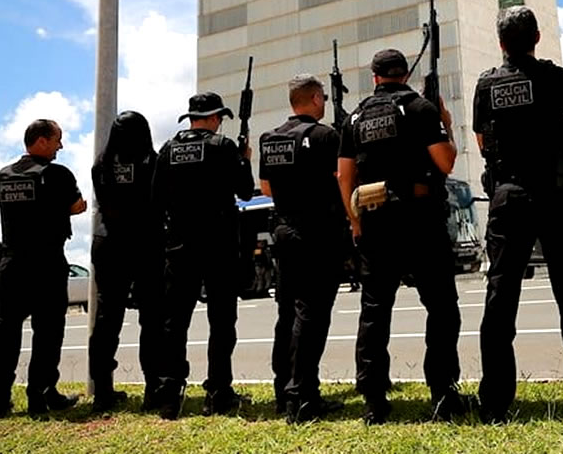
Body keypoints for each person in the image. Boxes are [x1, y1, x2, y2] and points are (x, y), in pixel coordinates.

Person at [473, 6, 563, 423]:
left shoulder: (487, 85)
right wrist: (559, 158)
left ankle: (495, 404)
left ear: (501, 44)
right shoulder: (557, 78)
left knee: (500, 301)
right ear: (536, 38)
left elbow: (483, 143)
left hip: (509, 199)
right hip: (554, 198)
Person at [337, 49, 466, 424]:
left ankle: (374, 401)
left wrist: (354, 220)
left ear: (374, 76)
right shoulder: (422, 109)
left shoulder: (356, 117)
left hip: (376, 220)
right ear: (404, 74)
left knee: (375, 313)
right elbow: (445, 162)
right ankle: (443, 394)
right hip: (421, 219)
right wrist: (447, 124)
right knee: (441, 308)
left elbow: (344, 177)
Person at [152, 92, 254, 420]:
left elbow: (156, 199)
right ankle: (219, 391)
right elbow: (243, 190)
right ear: (212, 118)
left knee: (174, 321)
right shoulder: (222, 147)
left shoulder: (167, 149)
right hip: (219, 245)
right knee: (222, 320)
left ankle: (170, 393)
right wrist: (244, 158)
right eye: (219, 118)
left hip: (180, 246)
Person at [0, 119, 86, 420]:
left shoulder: (4, 175)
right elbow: (76, 205)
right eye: (57, 140)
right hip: (46, 263)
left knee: (5, 334)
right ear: (41, 141)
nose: (60, 146)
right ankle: (41, 395)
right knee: (48, 333)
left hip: (12, 264)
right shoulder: (58, 174)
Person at [258, 75, 349, 423]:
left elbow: (266, 187)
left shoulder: (270, 139)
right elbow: (342, 179)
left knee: (287, 313)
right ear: (313, 99)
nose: (325, 102)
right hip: (317, 233)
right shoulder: (325, 136)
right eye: (322, 97)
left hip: (283, 232)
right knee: (312, 315)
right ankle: (304, 397)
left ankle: (284, 391)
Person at [88, 111, 162, 413]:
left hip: (107, 243)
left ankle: (103, 391)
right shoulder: (151, 162)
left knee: (107, 319)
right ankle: (153, 388)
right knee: (152, 318)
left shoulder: (101, 165)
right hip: (145, 242)